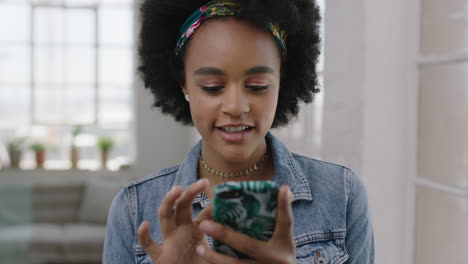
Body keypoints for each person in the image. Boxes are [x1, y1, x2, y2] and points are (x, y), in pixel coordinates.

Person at [103, 0, 375, 263]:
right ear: (184, 84)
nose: (235, 106)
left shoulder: (342, 196)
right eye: (212, 86)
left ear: (283, 81)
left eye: (257, 86)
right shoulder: (133, 209)